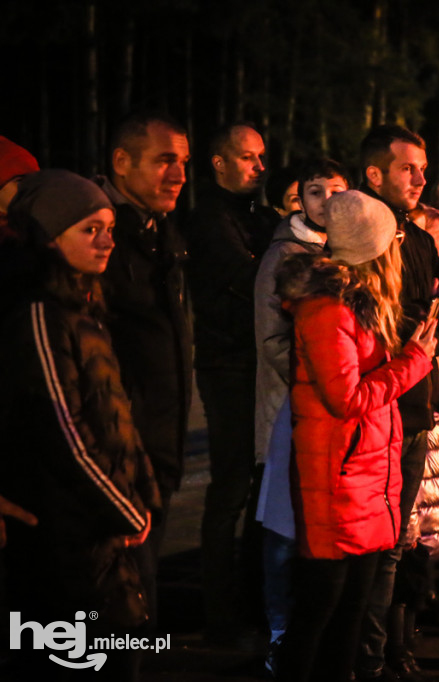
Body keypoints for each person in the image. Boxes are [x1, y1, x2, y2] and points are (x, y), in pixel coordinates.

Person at [0, 169, 161, 680]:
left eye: (110, 227)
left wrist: (144, 491)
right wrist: (125, 509)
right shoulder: (40, 315)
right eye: (90, 229)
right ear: (50, 236)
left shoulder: (80, 307)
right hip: (69, 534)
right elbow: (64, 430)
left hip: (101, 529)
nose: (107, 240)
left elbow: (112, 416)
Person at [274, 191, 436, 682]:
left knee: (347, 617)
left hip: (362, 481)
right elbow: (346, 400)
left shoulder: (360, 304)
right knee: (319, 617)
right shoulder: (328, 310)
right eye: (395, 239)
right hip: (337, 482)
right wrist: (414, 361)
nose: (401, 246)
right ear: (374, 249)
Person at [357, 124, 439, 682]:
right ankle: (364, 654)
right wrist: (418, 326)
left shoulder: (417, 239)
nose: (420, 178)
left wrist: (426, 324)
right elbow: (385, 323)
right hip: (374, 405)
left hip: (415, 403)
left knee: (397, 539)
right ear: (374, 174)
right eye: (407, 168)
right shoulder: (357, 238)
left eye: (423, 168)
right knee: (366, 543)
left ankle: (390, 648)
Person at [96, 113, 193, 633]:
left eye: (183, 162)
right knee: (123, 592)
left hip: (159, 439)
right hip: (118, 449)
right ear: (121, 162)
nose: (178, 175)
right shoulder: (100, 237)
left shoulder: (162, 232)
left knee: (141, 586)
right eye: (164, 161)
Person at [253, 158, 348, 672]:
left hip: (327, 412)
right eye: (316, 192)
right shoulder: (284, 256)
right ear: (299, 200)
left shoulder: (339, 252)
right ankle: (279, 638)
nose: (327, 202)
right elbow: (271, 338)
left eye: (337, 191)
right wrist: (320, 375)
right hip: (291, 412)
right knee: (283, 532)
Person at [186, 122, 280, 640]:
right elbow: (254, 279)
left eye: (262, 157)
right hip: (229, 366)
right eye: (248, 158)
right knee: (231, 486)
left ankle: (246, 596)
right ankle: (219, 610)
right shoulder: (208, 219)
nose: (259, 167)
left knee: (260, 484)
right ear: (219, 162)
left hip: (257, 364)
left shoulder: (259, 216)